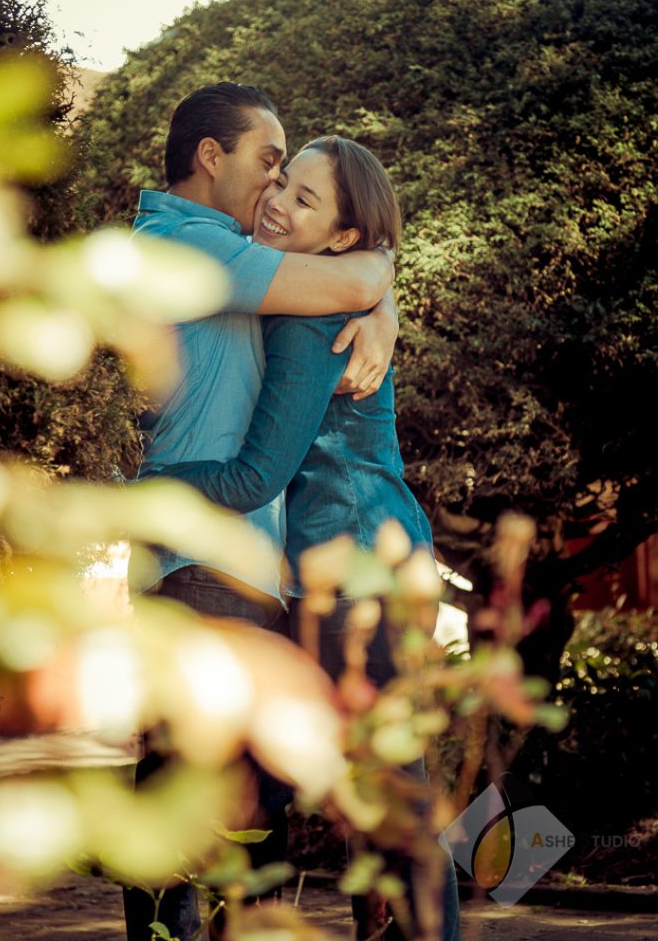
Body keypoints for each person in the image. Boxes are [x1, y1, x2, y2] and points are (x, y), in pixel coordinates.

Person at [156, 136, 461, 941]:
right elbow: (371, 268)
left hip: (361, 569)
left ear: (339, 238)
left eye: (303, 199)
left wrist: (149, 491)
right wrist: (380, 294)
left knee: (389, 803)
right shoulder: (327, 293)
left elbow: (255, 478)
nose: (275, 201)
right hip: (365, 564)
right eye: (281, 182)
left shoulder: (309, 318)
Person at [124, 85, 399, 941]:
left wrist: (376, 301)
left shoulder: (224, 250)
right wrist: (376, 286)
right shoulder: (185, 244)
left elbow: (349, 274)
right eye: (269, 163)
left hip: (235, 573)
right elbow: (352, 270)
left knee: (243, 817)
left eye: (291, 179)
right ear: (213, 158)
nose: (276, 189)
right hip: (201, 570)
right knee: (194, 813)